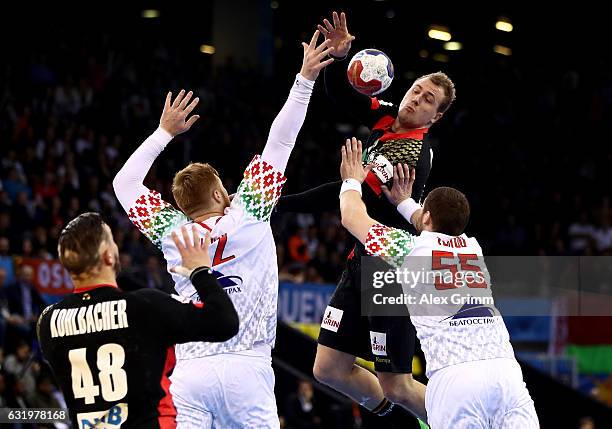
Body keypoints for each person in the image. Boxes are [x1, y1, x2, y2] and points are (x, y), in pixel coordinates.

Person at [112, 30, 334, 428]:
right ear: (219, 192)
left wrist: (164, 132)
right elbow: (280, 141)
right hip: (246, 367)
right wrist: (304, 80)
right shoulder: (249, 208)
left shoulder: (172, 230)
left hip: (190, 370)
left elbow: (124, 184)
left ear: (182, 204)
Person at [277, 11, 455, 421]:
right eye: (416, 90)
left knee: (398, 382)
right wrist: (341, 58)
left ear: (436, 117)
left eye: (428, 100)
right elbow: (341, 98)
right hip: (361, 262)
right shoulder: (387, 120)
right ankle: (396, 420)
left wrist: (276, 202)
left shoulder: (412, 151)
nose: (416, 99)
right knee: (328, 369)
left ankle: (463, 420)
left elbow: (342, 196)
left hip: (390, 270)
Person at [337, 137, 539, 428]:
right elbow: (433, 222)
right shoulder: (473, 247)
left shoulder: (409, 250)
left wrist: (352, 180)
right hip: (505, 372)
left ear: (428, 215)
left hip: (456, 380)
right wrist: (404, 202)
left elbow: (351, 216)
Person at [37, 213, 239, 428]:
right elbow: (224, 321)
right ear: (108, 257)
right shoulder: (145, 306)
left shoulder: (47, 322)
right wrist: (200, 271)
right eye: (112, 241)